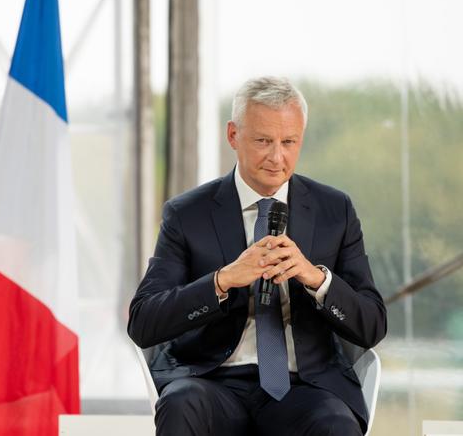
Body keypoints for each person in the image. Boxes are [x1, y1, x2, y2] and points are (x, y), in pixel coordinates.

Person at [127, 76, 387, 436]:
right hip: (212, 381)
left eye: (289, 142)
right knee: (181, 404)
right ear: (233, 135)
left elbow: (372, 325)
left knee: (335, 424)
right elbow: (144, 322)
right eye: (263, 140)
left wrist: (316, 279)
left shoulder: (335, 210)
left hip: (305, 387)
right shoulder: (187, 213)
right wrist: (223, 280)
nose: (277, 157)